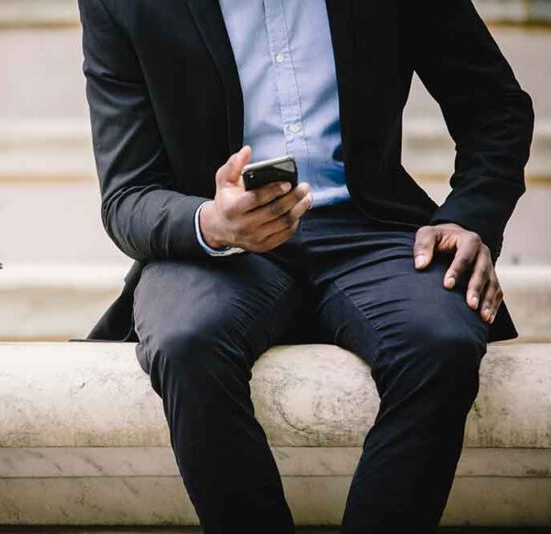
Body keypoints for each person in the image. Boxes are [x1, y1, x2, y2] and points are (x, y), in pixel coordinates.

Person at [77, 0, 534, 532]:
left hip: (370, 228)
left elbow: (495, 108)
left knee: (442, 340)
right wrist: (213, 222)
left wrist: (470, 217)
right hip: (222, 246)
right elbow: (128, 195)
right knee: (186, 342)